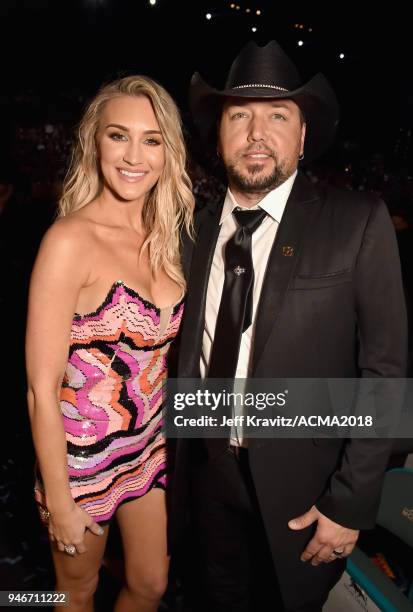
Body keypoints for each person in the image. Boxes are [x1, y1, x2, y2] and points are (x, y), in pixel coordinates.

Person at [169, 41, 408, 611]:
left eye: (278, 116)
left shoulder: (358, 221)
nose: (258, 132)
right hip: (205, 479)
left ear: (302, 136)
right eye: (240, 115)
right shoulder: (189, 230)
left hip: (307, 492)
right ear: (218, 133)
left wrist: (349, 502)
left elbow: (386, 370)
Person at [26, 75, 194, 612]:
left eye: (151, 140)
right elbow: (39, 388)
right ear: (94, 142)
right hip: (81, 460)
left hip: (149, 446)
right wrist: (59, 498)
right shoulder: (69, 240)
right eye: (118, 135)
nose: (134, 155)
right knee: (77, 592)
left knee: (150, 586)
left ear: (168, 152)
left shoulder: (167, 235)